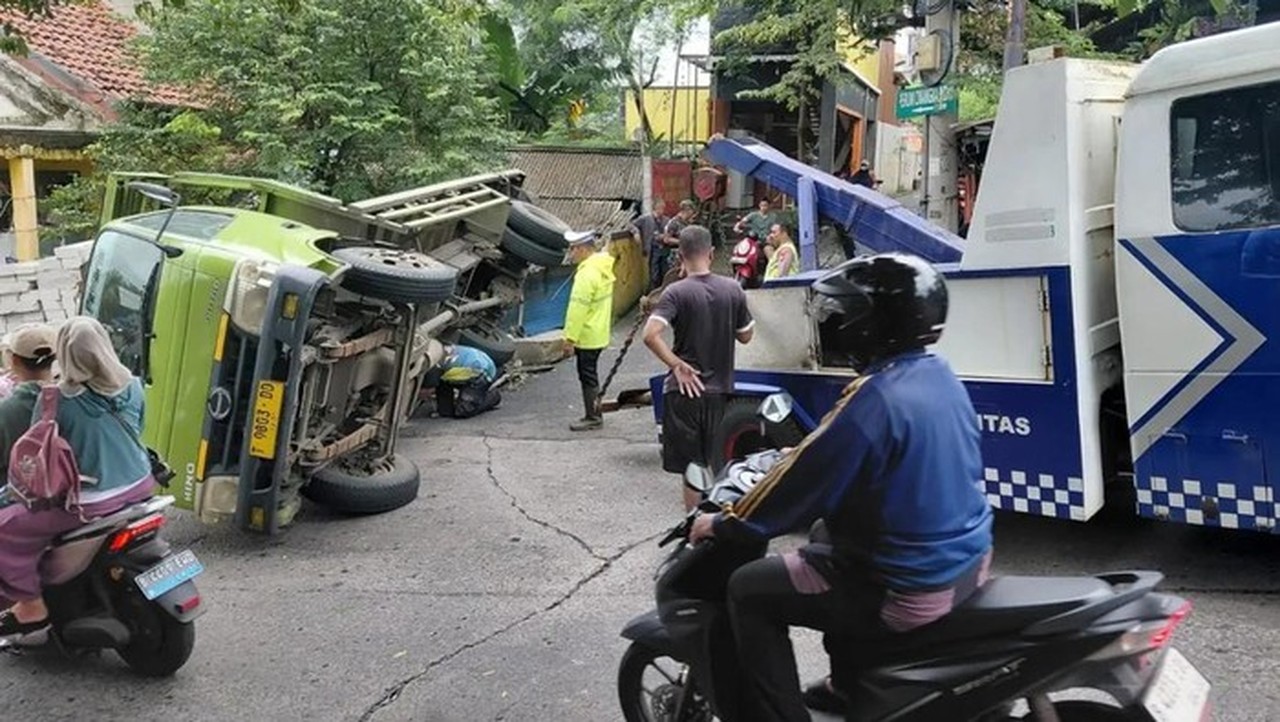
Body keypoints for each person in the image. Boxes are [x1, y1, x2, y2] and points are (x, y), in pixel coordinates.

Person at [687, 253, 994, 722]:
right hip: (966, 560)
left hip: (910, 586)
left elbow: (793, 491)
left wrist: (724, 523)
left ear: (873, 324)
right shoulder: (937, 375)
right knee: (825, 537)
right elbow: (841, 461)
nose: (835, 323)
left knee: (748, 589)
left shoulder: (874, 400)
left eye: (845, 314)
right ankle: (849, 684)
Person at [0, 316, 156, 637]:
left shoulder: (58, 400)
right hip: (142, 484)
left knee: (6, 529)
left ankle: (30, 604)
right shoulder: (134, 386)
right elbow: (136, 430)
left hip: (92, 502)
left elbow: (39, 455)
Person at [643, 225, 754, 510]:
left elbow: (650, 334)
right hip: (720, 393)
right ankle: (715, 525)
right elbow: (746, 335)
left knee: (692, 468)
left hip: (684, 392)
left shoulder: (675, 293)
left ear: (680, 255)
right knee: (715, 465)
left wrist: (677, 364)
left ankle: (693, 528)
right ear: (712, 253)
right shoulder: (732, 289)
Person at [562, 229, 616, 432]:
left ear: (584, 249)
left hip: (586, 335)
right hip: (599, 332)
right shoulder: (602, 266)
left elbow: (577, 308)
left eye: (574, 248)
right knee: (590, 374)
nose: (571, 253)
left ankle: (593, 417)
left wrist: (569, 339)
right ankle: (594, 413)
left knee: (587, 376)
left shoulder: (586, 273)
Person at [0, 324, 57, 479]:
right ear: (55, 357)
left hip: (21, 494)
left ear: (14, 360)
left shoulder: (6, 411)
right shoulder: (73, 399)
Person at [434, 344, 501, 419]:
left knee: (463, 411)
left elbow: (428, 389)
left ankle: (493, 397)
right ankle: (446, 409)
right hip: (469, 362)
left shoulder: (435, 369)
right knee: (445, 412)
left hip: (481, 371)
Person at [630, 199, 670, 291]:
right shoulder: (646, 219)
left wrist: (665, 237)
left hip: (664, 249)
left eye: (663, 208)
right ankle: (653, 292)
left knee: (664, 272)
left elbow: (670, 232)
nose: (661, 211)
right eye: (659, 208)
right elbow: (632, 225)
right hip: (652, 249)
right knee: (653, 273)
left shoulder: (666, 220)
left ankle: (663, 291)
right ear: (654, 208)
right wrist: (636, 233)